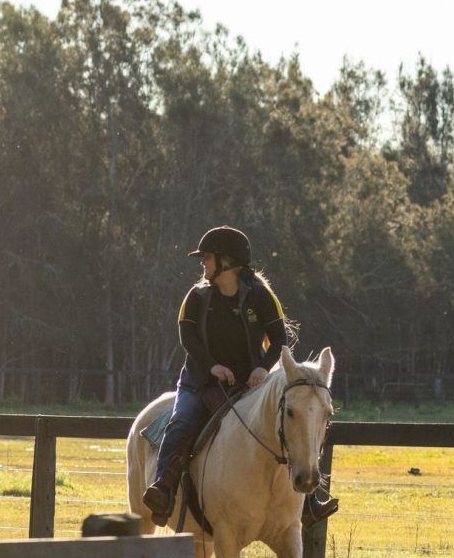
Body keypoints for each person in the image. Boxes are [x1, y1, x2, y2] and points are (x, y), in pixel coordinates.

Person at [142, 225, 339, 527]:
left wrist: (263, 368)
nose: (203, 263)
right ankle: (163, 489)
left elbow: (280, 339)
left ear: (227, 261)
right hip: (200, 384)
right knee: (181, 423)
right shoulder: (196, 296)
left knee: (292, 424)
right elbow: (187, 338)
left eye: (207, 257)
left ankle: (308, 502)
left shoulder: (261, 295)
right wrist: (212, 366)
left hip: (251, 384)